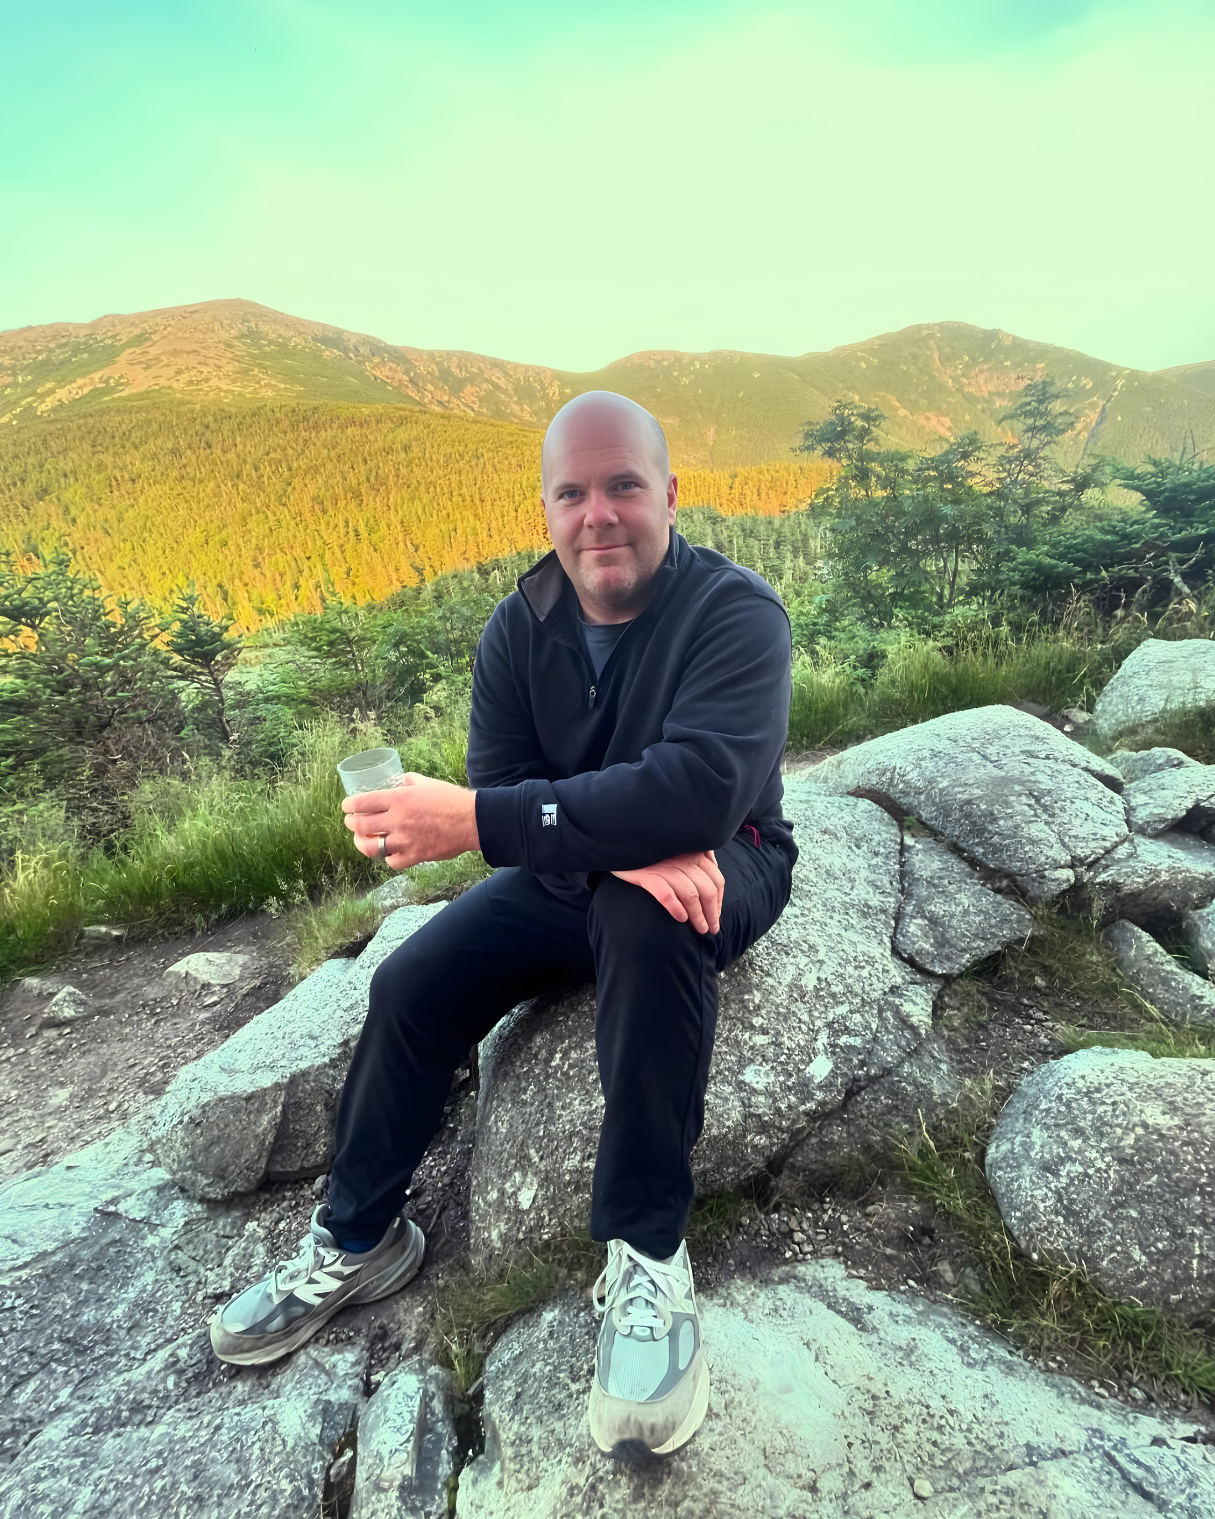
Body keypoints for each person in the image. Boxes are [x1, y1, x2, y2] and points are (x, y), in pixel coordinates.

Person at [210, 391, 797, 1458]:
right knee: (410, 985)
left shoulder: (737, 612)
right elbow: (516, 787)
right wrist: (618, 829)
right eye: (573, 492)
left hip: (732, 859)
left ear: (670, 493)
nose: (599, 514)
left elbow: (704, 789)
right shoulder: (517, 629)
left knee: (651, 910)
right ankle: (361, 1236)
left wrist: (504, 825)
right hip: (583, 865)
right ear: (547, 510)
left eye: (624, 485)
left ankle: (649, 1255)